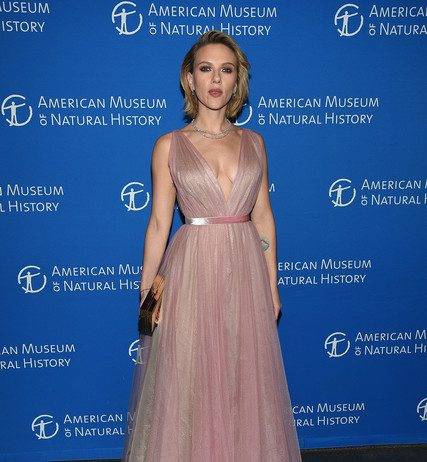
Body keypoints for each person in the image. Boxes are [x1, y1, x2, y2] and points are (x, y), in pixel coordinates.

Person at [122, 30, 302, 461]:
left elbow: (263, 216)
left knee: (243, 378)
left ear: (238, 80)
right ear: (190, 79)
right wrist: (148, 291)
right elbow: (159, 223)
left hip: (245, 270)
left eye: (226, 69)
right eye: (206, 69)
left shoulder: (255, 142)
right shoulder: (169, 145)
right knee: (191, 378)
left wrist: (272, 285)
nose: (216, 79)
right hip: (192, 270)